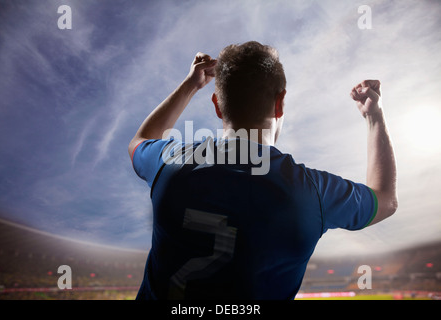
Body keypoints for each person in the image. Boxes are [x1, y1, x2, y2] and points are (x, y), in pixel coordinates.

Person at [128, 41, 398, 300]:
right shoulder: (313, 192)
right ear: (279, 103)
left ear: (217, 106)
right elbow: (385, 200)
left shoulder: (169, 161)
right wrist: (374, 115)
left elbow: (139, 142)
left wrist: (190, 85)